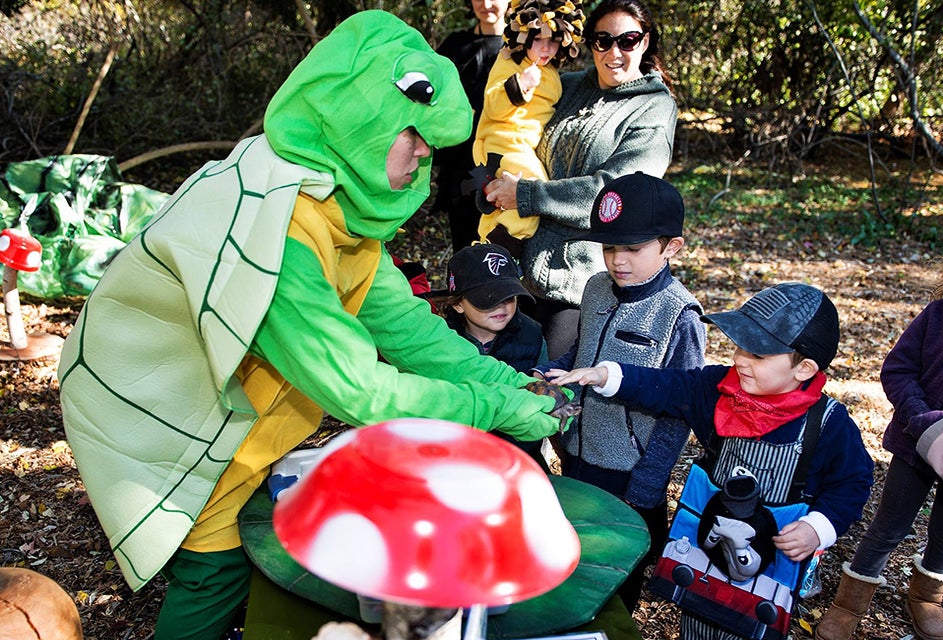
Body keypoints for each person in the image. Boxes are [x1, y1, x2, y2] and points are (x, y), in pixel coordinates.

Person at [55, 12, 566, 640]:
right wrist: (499, 409)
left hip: (222, 410)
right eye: (413, 136)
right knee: (211, 573)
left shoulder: (332, 196)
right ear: (362, 118)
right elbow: (362, 390)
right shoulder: (275, 230)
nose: (425, 154)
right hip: (163, 414)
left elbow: (405, 328)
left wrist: (510, 382)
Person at [547, 283, 874, 638]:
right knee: (698, 616)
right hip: (708, 548)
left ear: (804, 368)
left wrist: (818, 527)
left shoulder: (829, 425)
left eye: (758, 356)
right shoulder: (719, 387)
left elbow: (853, 482)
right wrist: (606, 375)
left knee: (751, 625)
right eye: (739, 347)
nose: (739, 359)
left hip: (770, 563)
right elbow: (668, 386)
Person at [532, 172, 706, 612]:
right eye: (609, 247)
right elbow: (579, 351)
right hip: (574, 453)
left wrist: (646, 486)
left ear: (672, 247)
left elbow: (680, 411)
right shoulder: (594, 289)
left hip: (628, 474)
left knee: (615, 579)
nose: (618, 260)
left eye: (633, 248)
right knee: (570, 557)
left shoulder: (679, 315)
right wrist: (549, 376)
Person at [483, 0, 678, 358]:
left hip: (577, 285)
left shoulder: (655, 107)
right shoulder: (565, 85)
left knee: (555, 392)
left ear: (645, 42)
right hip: (517, 270)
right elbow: (509, 124)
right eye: (603, 40)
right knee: (505, 384)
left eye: (628, 40)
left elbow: (615, 196)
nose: (614, 51)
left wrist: (525, 195)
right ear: (589, 44)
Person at [815, 264, 943, 640]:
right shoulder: (936, 317)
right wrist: (925, 421)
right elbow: (898, 370)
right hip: (914, 445)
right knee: (889, 526)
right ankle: (848, 603)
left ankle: (927, 596)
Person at [471, 0, 585, 255]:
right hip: (503, 141)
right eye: (538, 39)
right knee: (532, 190)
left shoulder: (551, 71)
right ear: (524, 36)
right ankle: (503, 247)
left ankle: (484, 244)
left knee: (505, 200)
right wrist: (520, 84)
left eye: (553, 41)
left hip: (521, 146)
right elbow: (493, 106)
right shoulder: (511, 62)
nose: (546, 48)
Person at [440, 242, 550, 465]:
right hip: (456, 460)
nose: (501, 307)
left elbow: (541, 396)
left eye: (509, 297)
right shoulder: (442, 341)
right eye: (488, 299)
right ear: (458, 303)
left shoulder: (532, 336)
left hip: (518, 459)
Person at [432, 0, 510, 252]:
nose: (486, 4)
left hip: (505, 166)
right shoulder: (455, 46)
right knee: (464, 249)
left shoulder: (524, 47)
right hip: (460, 168)